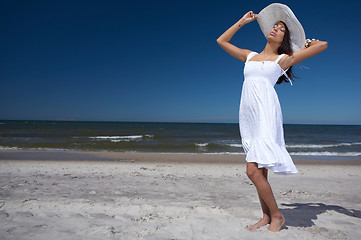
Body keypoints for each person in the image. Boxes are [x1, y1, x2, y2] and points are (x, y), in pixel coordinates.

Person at [216, 3, 327, 232]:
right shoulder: (250, 56)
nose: (275, 29)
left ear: (283, 40)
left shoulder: (283, 60)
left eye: (281, 29)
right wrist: (242, 22)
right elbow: (222, 41)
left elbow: (323, 46)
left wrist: (307, 43)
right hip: (248, 115)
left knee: (252, 170)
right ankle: (266, 216)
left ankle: (277, 215)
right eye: (274, 26)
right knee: (260, 170)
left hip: (266, 112)